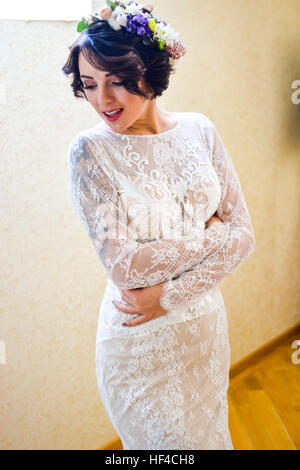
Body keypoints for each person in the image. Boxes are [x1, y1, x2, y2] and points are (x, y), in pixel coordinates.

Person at [62, 0, 255, 450]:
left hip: (205, 336)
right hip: (138, 348)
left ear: (149, 70)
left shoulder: (200, 130)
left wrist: (166, 295)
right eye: (89, 85)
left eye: (117, 82)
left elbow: (244, 235)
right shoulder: (89, 152)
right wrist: (212, 235)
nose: (101, 100)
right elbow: (126, 269)